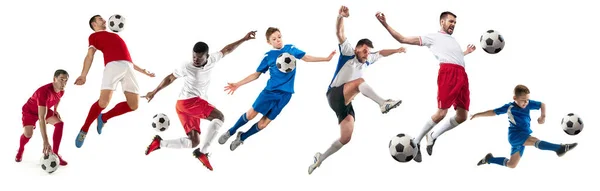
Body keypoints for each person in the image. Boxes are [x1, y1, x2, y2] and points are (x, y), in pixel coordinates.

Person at [308, 5, 405, 175]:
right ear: (357, 48)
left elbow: (381, 53)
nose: (367, 54)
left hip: (346, 102)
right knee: (359, 82)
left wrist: (397, 50)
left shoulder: (368, 59)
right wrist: (340, 16)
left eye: (368, 52)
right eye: (365, 51)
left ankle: (320, 158)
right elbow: (340, 33)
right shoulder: (348, 53)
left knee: (346, 138)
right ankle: (383, 103)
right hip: (334, 94)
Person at [143, 31, 257, 171]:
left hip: (185, 106)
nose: (195, 60)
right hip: (188, 102)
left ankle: (159, 143)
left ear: (207, 57)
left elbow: (227, 50)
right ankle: (203, 152)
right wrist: (154, 92)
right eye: (194, 56)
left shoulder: (212, 59)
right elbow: (170, 78)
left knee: (194, 141)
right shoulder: (187, 66)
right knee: (219, 117)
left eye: (199, 57)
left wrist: (244, 39)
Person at [375, 11, 476, 162]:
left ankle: (433, 136)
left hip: (462, 75)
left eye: (455, 22)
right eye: (450, 21)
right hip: (448, 74)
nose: (453, 24)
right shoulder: (433, 37)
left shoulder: (453, 40)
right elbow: (402, 38)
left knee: (462, 116)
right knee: (441, 113)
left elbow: (453, 56)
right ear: (442, 22)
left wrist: (465, 53)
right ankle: (416, 142)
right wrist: (384, 24)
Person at [217, 27, 337, 151]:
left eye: (279, 37)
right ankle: (230, 132)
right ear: (269, 42)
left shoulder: (290, 49)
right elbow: (256, 74)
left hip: (286, 95)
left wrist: (326, 59)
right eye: (274, 39)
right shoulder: (269, 56)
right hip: (269, 92)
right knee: (251, 114)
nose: (278, 40)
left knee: (263, 124)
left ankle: (242, 137)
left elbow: (306, 58)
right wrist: (238, 84)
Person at [74, 15, 155, 148]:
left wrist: (143, 71)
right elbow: (89, 56)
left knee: (134, 105)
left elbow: (127, 59)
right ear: (94, 24)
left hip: (128, 68)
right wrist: (83, 75)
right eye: (100, 19)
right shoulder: (94, 37)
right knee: (103, 102)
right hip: (113, 67)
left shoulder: (116, 36)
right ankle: (84, 129)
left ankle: (103, 118)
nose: (104, 20)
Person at [471, 84, 577, 168]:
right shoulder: (509, 107)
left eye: (527, 100)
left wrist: (543, 116)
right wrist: (477, 115)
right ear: (515, 98)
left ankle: (489, 159)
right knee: (534, 140)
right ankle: (559, 148)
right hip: (515, 135)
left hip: (523, 135)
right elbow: (493, 112)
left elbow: (542, 104)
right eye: (523, 100)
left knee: (511, 164)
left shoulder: (528, 103)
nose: (526, 102)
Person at [16, 69, 69, 166]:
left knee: (60, 124)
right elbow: (42, 118)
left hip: (44, 109)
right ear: (54, 79)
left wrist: (56, 110)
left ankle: (55, 153)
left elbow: (57, 99)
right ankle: (20, 149)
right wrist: (45, 141)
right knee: (28, 135)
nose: (64, 83)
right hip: (30, 112)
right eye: (61, 79)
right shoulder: (44, 92)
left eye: (66, 80)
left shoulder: (61, 91)